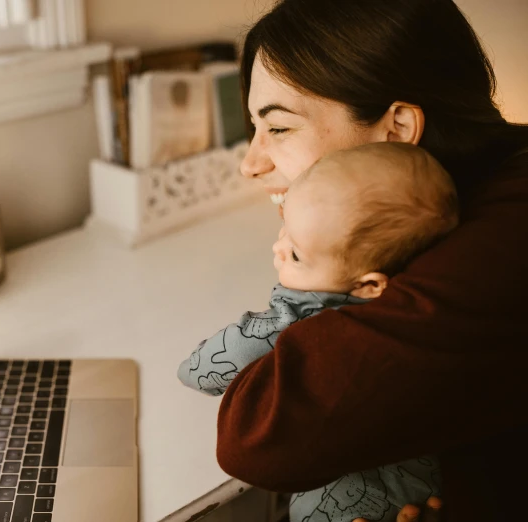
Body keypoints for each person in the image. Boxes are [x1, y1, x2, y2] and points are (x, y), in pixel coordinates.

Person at [214, 1, 528, 521]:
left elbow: (256, 433)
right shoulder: (444, 208)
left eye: (280, 128)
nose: (251, 164)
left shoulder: (500, 245)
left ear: (398, 126)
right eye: (254, 126)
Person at [179, 143, 453, 521]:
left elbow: (195, 372)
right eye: (283, 229)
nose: (277, 248)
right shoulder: (427, 315)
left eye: (295, 254)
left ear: (369, 284)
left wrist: (278, 314)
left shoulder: (298, 320)